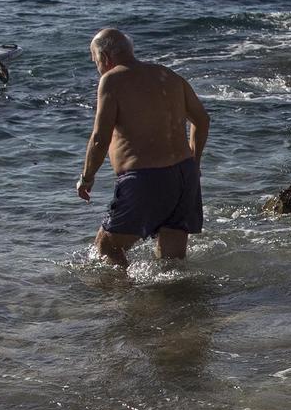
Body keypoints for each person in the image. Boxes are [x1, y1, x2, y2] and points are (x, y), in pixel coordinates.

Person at [75, 28, 209, 267]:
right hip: (185, 176)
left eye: (95, 61)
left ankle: (123, 303)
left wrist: (86, 178)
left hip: (145, 179)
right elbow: (202, 120)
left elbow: (99, 139)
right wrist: (194, 162)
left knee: (106, 248)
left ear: (106, 58)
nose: (97, 67)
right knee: (172, 262)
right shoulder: (168, 75)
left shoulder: (112, 79)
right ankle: (172, 302)